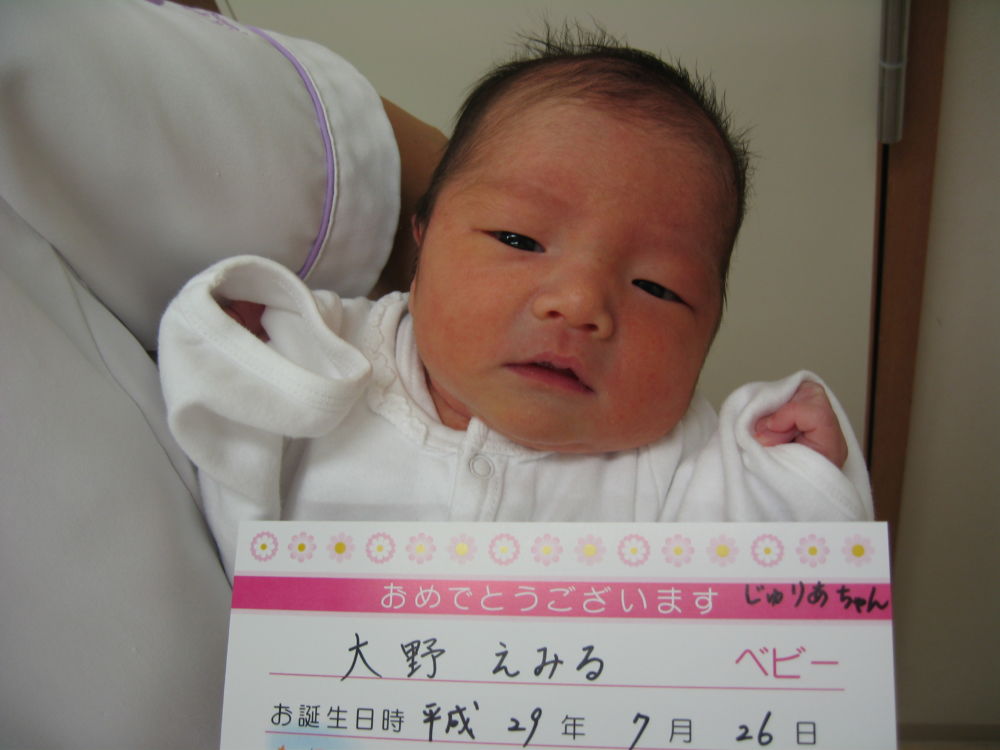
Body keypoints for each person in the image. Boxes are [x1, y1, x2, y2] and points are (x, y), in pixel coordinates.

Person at [159, 28, 872, 580]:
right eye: (519, 239)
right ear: (422, 239)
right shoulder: (322, 355)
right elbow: (216, 398)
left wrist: (802, 475)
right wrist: (243, 346)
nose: (579, 303)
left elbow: (781, 592)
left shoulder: (685, 465)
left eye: (657, 286)